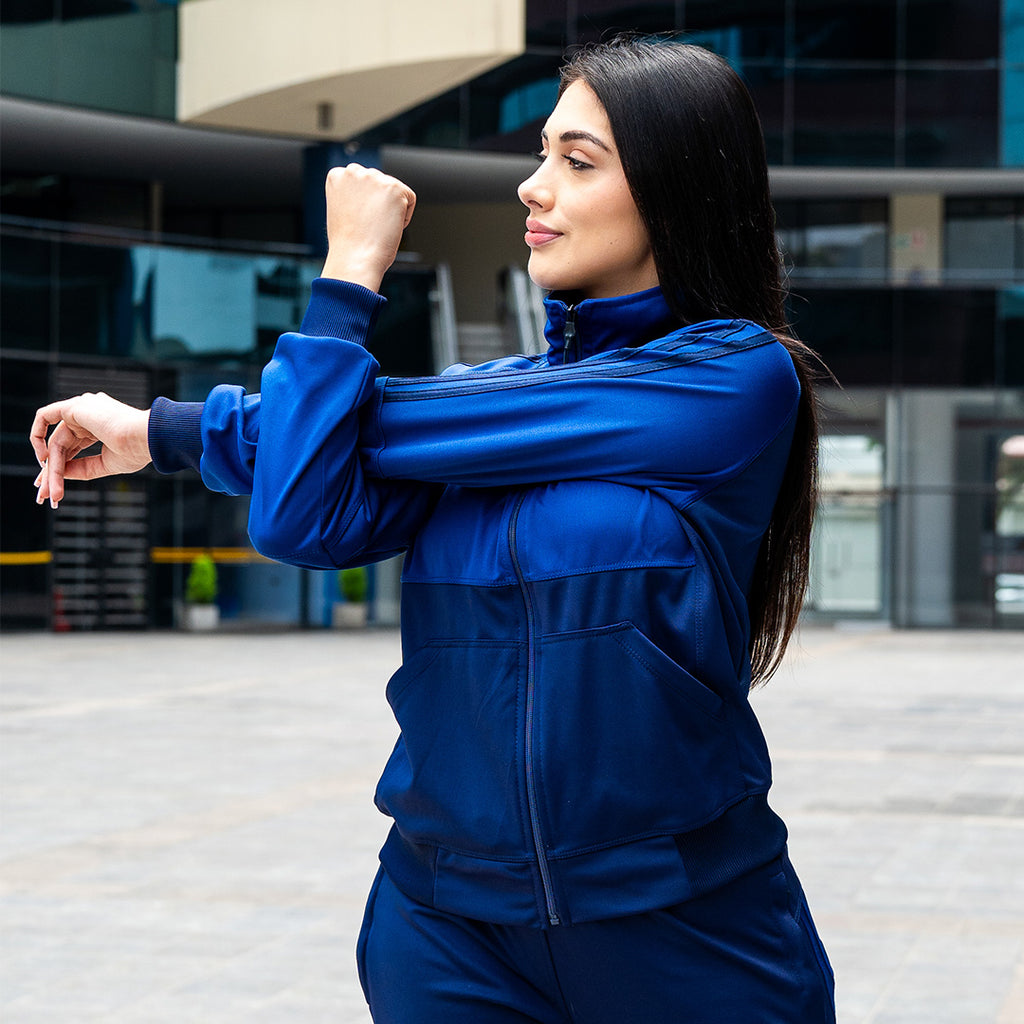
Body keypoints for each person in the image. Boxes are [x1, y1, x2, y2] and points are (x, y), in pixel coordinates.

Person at [31, 37, 835, 1024]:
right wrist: (166, 426)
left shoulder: (734, 376)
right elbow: (299, 513)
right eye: (540, 153)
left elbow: (370, 425)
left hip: (684, 930)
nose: (534, 186)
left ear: (677, 190)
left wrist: (332, 290)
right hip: (447, 934)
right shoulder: (487, 403)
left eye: (578, 160)